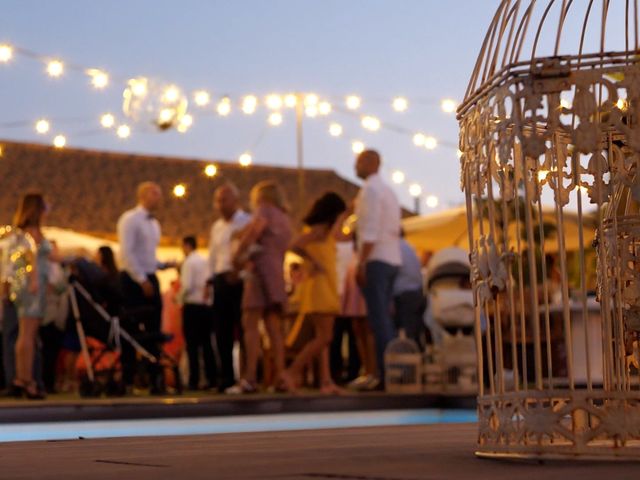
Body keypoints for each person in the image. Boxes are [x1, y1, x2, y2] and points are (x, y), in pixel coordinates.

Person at [226, 181, 292, 394]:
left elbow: (255, 231)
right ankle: (281, 377)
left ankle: (249, 378)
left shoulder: (264, 211)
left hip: (259, 272)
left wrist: (237, 256)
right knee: (274, 329)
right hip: (276, 274)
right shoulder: (284, 218)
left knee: (251, 325)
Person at [279, 192, 347, 394]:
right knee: (325, 337)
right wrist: (314, 262)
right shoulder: (319, 230)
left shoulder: (326, 231)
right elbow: (294, 245)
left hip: (324, 286)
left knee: (322, 338)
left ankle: (326, 381)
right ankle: (291, 373)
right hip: (321, 288)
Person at [117, 182, 173, 394]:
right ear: (143, 195)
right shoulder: (130, 219)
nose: (159, 197)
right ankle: (128, 379)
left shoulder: (154, 224)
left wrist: (163, 265)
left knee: (153, 329)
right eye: (154, 193)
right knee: (130, 330)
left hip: (150, 276)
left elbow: (148, 257)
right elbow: (127, 253)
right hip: (133, 281)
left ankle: (154, 379)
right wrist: (141, 279)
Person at [354, 150, 402, 384]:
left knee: (379, 319)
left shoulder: (371, 190)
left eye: (359, 161)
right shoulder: (389, 191)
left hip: (377, 259)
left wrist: (361, 262)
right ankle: (390, 371)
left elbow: (370, 232)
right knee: (385, 318)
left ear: (373, 163)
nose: (355, 165)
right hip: (391, 258)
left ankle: (385, 374)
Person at [8, 193, 59, 399]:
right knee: (28, 334)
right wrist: (36, 280)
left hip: (26, 286)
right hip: (32, 287)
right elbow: (34, 259)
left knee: (24, 334)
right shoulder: (33, 233)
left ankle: (21, 378)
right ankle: (27, 380)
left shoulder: (20, 233)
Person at [207, 183, 251, 392]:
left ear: (236, 200)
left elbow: (251, 252)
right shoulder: (216, 227)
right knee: (221, 331)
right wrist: (210, 280)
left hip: (239, 281)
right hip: (220, 279)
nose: (220, 204)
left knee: (244, 330)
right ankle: (226, 377)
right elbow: (213, 256)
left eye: (224, 199)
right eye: (217, 200)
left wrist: (240, 272)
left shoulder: (246, 222)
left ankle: (246, 376)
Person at [179, 235, 216, 390]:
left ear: (187, 246)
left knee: (192, 345)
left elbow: (187, 286)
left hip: (192, 307)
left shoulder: (189, 262)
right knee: (207, 344)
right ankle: (212, 377)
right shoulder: (204, 261)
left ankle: (193, 380)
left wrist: (178, 299)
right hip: (205, 307)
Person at [393, 236, 427, 347]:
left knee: (406, 333)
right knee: (415, 331)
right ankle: (418, 355)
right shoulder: (408, 246)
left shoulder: (394, 248)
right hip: (417, 292)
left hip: (404, 294)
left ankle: (408, 359)